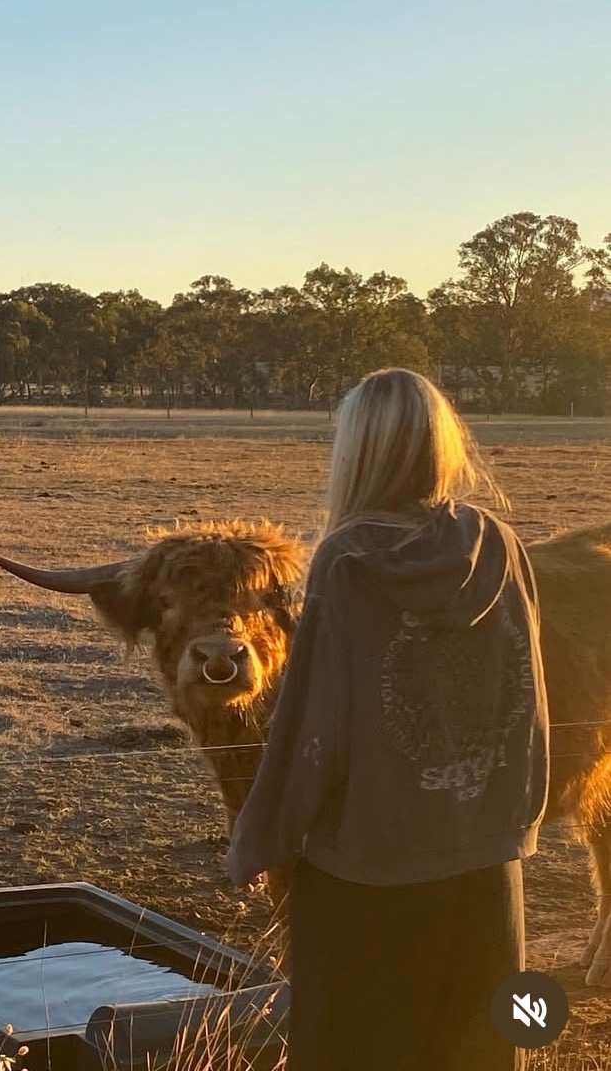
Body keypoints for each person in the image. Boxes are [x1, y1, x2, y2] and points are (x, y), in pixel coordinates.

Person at [226, 368, 548, 1071]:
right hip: (485, 863)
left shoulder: (347, 560)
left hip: (365, 874)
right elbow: (529, 699)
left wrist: (263, 836)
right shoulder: (499, 543)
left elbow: (313, 726)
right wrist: (514, 819)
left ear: (359, 452)